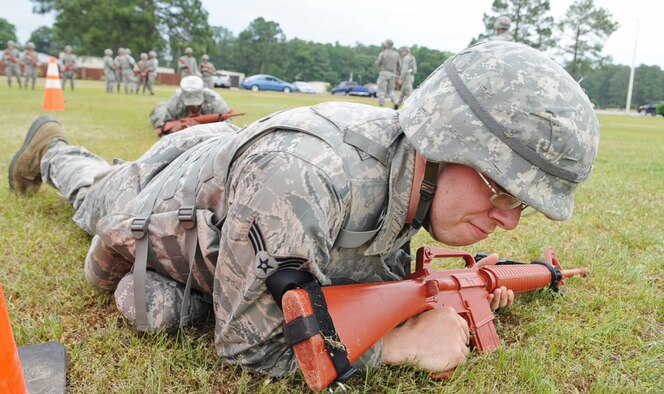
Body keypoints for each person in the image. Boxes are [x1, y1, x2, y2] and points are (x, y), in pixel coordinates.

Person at [8, 42, 599, 383]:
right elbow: (252, 347)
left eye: (521, 204)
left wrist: (440, 294)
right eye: (502, 189)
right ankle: (54, 150)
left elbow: (362, 264)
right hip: (171, 196)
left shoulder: (411, 173)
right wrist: (398, 346)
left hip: (232, 173)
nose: (510, 218)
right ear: (448, 143)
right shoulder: (305, 178)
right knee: (97, 194)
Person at [149, 75, 229, 130]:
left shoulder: (216, 102)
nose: (194, 107)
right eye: (190, 105)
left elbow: (227, 126)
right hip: (167, 109)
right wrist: (173, 129)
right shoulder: (175, 102)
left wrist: (202, 128)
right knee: (158, 113)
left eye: (197, 104)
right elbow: (163, 123)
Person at [375, 39, 401, 107]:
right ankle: (395, 102)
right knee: (391, 91)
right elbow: (399, 65)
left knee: (381, 91)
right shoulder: (396, 54)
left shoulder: (383, 53)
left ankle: (381, 105)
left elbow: (377, 63)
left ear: (386, 45)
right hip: (393, 74)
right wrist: (398, 75)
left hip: (384, 73)